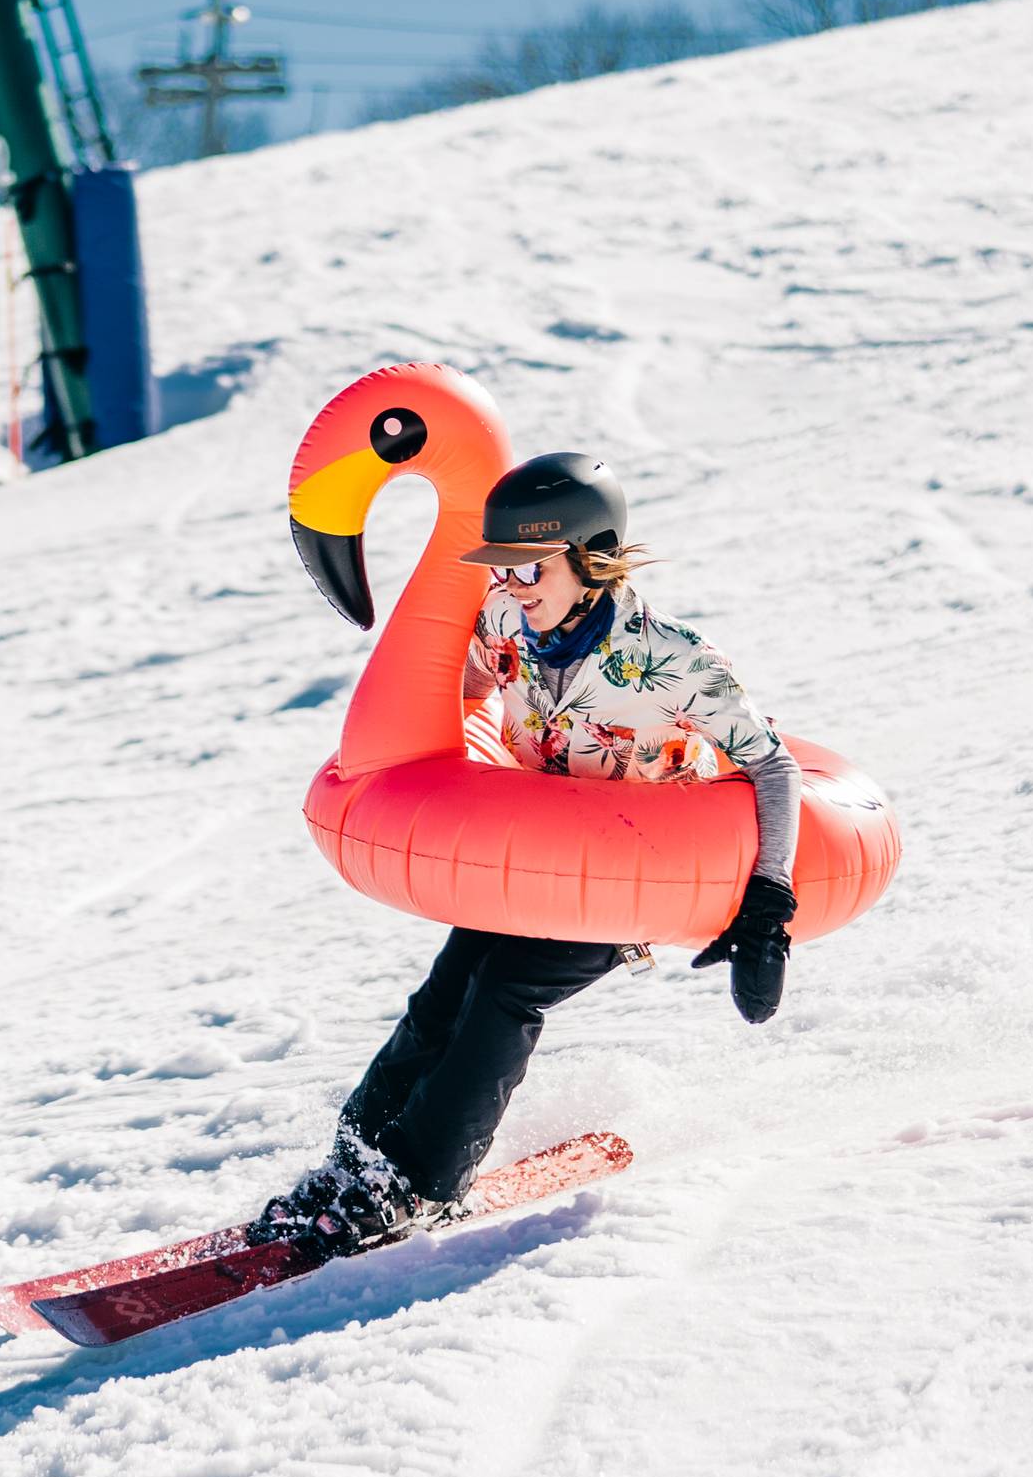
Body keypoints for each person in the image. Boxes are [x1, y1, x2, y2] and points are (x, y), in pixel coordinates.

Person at [247, 452, 801, 1255]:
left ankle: (416, 1185)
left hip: (632, 870)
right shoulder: (505, 620)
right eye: (501, 569)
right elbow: (468, 681)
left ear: (589, 556)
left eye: (528, 567)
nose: (509, 585)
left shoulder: (673, 662)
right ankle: (356, 1162)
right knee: (451, 985)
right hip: (536, 858)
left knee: (508, 990)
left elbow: (771, 765)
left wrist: (768, 908)